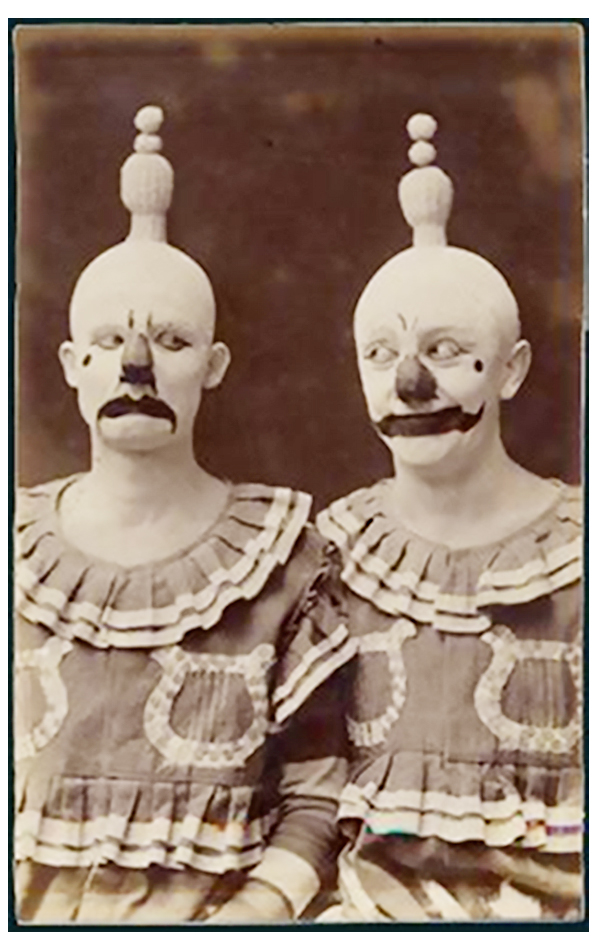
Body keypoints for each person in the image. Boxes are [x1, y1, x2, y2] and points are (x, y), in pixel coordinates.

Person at [14, 105, 353, 924]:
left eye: (170, 341)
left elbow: (317, 790)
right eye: (109, 342)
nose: (136, 365)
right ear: (72, 365)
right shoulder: (14, 554)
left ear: (214, 364)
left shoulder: (284, 564)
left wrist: (256, 912)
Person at [316, 113, 583, 922]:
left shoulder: (578, 552)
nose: (410, 385)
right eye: (381, 355)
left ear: (511, 369)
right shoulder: (331, 555)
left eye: (443, 350)